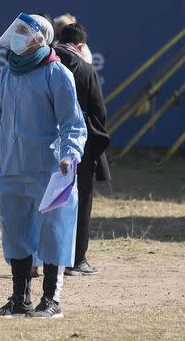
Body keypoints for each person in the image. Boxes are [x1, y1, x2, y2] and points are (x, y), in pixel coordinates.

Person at [0, 12, 86, 319]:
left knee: (54, 232)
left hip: (49, 169)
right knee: (15, 232)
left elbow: (73, 125)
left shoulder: (56, 73)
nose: (18, 34)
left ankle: (51, 300)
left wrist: (68, 155)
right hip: (11, 170)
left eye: (24, 30)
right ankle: (19, 299)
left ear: (40, 37)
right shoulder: (7, 74)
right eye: (17, 29)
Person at [54, 23, 111, 276]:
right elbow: (100, 112)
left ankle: (51, 257)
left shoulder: (47, 65)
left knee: (51, 200)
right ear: (80, 46)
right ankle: (77, 260)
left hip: (49, 142)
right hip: (81, 145)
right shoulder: (86, 69)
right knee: (81, 199)